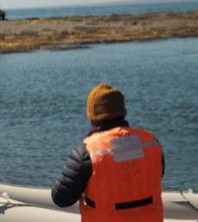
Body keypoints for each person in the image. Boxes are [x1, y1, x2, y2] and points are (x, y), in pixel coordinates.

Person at [51, 82, 164, 222]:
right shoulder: (151, 142)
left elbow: (61, 199)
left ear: (92, 115)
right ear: (122, 111)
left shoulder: (86, 153)